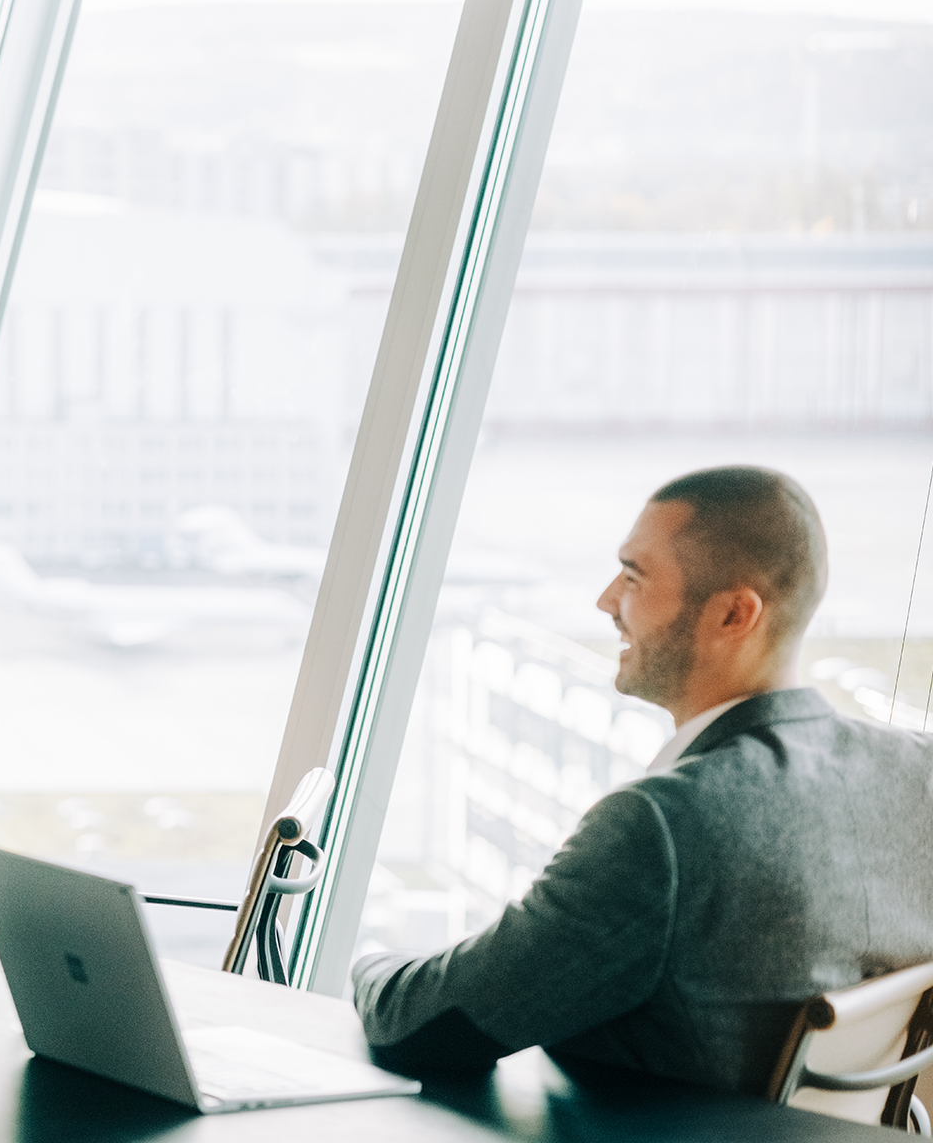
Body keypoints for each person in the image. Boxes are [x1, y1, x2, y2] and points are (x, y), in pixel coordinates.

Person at [351, 466, 933, 1095]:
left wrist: (366, 958)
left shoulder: (663, 826)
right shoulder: (916, 772)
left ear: (735, 614)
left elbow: (422, 1025)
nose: (606, 600)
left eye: (634, 576)